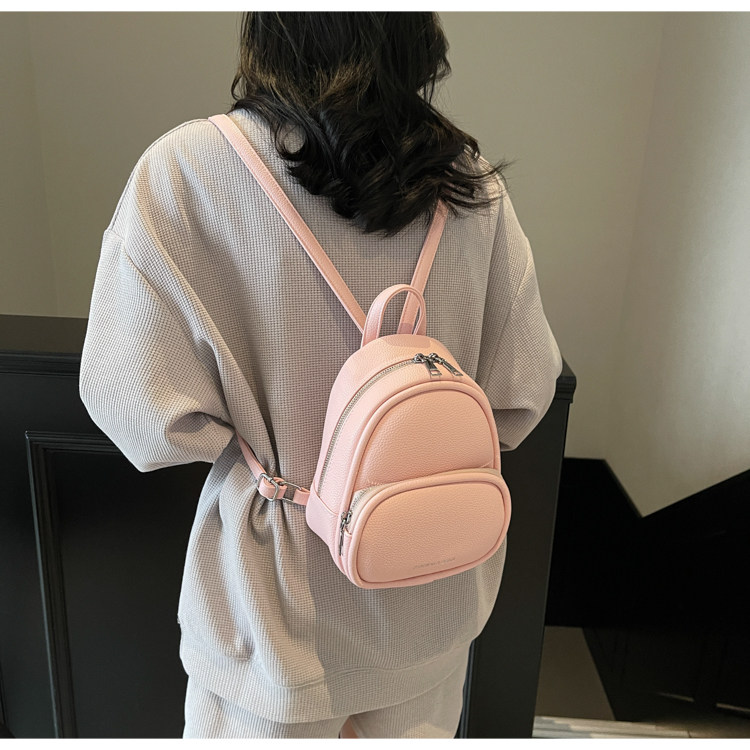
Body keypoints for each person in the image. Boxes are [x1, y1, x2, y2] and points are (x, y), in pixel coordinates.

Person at [78, 11, 562, 739]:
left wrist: (270, 441)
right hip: (427, 592)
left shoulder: (186, 171)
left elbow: (140, 413)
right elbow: (522, 393)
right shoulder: (468, 184)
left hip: (276, 613)